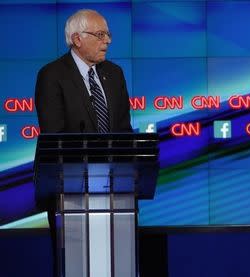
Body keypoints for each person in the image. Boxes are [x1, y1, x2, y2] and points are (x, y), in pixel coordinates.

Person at [34, 9, 132, 276]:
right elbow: (55, 138)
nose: (108, 40)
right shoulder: (52, 75)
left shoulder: (114, 73)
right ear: (77, 39)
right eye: (100, 35)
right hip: (70, 192)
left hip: (115, 192)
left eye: (108, 34)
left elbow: (123, 130)